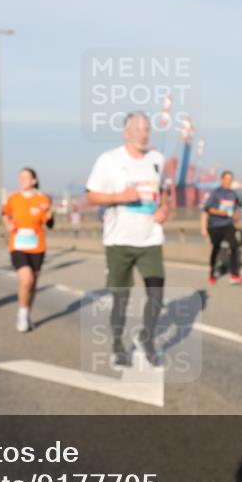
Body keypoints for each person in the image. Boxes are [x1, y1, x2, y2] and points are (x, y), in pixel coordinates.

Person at [85, 112, 168, 368]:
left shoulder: (157, 159)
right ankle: (117, 346)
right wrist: (120, 197)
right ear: (126, 133)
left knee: (157, 294)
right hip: (119, 240)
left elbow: (162, 191)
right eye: (138, 130)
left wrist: (163, 209)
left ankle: (147, 338)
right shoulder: (109, 160)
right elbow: (91, 196)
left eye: (146, 129)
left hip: (150, 238)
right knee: (121, 298)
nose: (143, 134)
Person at [3, 168, 53, 332]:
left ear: (34, 181)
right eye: (20, 177)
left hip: (37, 246)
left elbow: (49, 222)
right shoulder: (14, 198)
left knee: (33, 284)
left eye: (26, 177)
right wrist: (8, 224)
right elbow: (5, 213)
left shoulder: (42, 199)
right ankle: (22, 313)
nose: (22, 180)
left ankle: (27, 314)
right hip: (18, 245)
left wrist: (49, 213)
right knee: (26, 279)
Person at [200, 170, 242, 285]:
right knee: (216, 248)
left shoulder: (233, 194)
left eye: (230, 179)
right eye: (226, 179)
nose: (228, 181)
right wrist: (221, 213)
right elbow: (208, 209)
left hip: (228, 225)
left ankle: (234, 274)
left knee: (234, 246)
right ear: (222, 180)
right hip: (215, 226)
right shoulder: (215, 193)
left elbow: (236, 209)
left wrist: (236, 217)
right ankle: (212, 273)